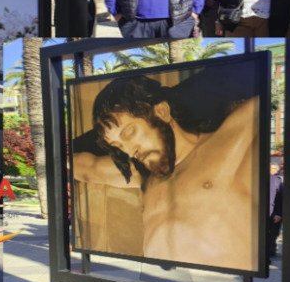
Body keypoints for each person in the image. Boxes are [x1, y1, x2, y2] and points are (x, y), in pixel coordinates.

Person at [71, 71, 257, 270]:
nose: (129, 150)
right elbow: (84, 167)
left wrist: (176, 96)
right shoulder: (144, 176)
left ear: (162, 112)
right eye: (117, 146)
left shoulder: (229, 145)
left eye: (129, 132)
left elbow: (263, 77)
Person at [267, 162, 283, 261]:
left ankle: (271, 250)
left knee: (273, 233)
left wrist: (279, 213)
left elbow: (281, 199)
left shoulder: (279, 180)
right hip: (262, 212)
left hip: (274, 212)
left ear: (277, 170)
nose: (270, 169)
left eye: (272, 168)